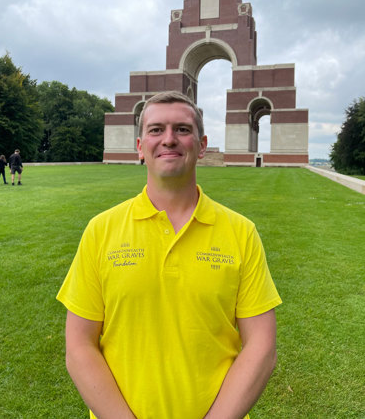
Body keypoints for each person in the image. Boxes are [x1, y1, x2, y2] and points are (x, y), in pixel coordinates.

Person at [57, 91, 282, 419]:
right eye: (156, 130)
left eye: (182, 129)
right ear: (140, 147)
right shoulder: (100, 231)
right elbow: (79, 347)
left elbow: (262, 347)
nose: (169, 139)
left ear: (201, 145)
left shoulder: (241, 232)